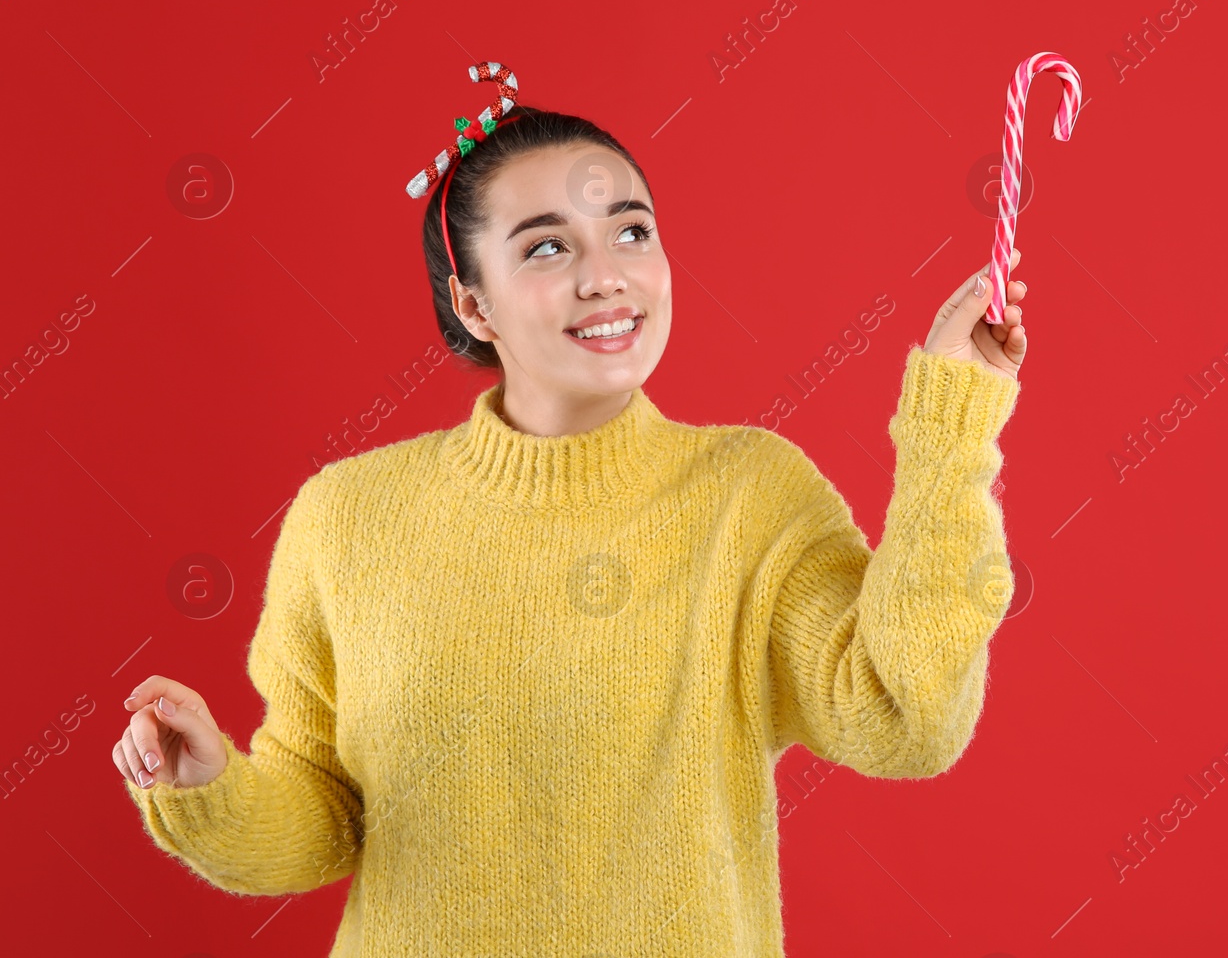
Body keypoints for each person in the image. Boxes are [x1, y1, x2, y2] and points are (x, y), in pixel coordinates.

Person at [114, 65, 1030, 956]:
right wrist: (211, 787)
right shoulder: (347, 517)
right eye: (548, 246)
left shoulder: (751, 495)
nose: (608, 277)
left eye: (631, 231)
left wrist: (951, 424)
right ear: (473, 304)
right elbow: (320, 814)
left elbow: (902, 716)